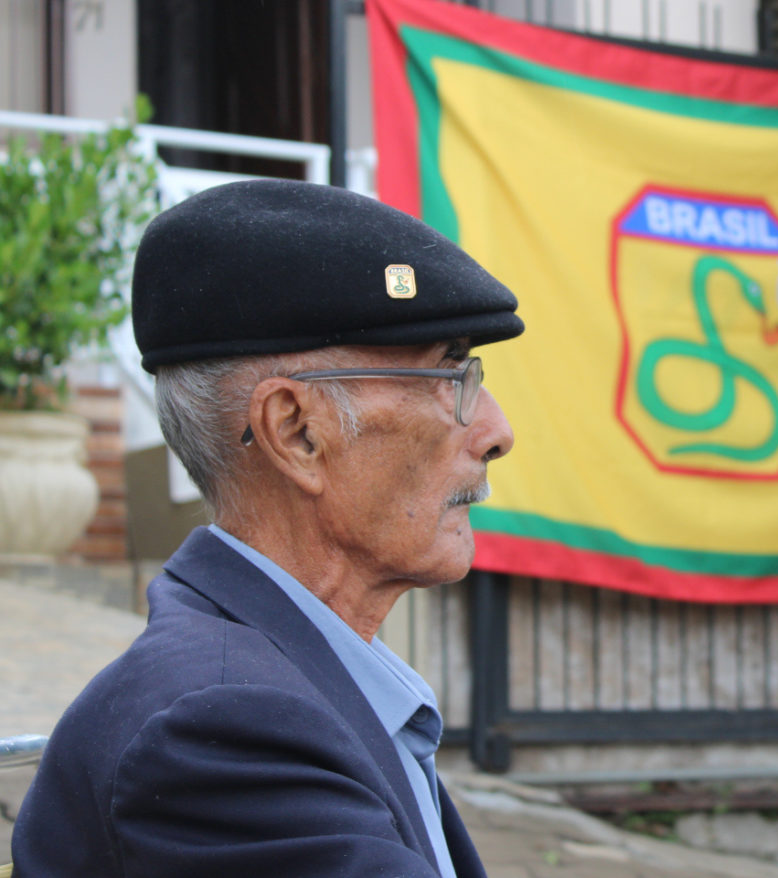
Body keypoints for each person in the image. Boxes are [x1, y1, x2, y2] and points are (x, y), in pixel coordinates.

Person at [12, 179, 524, 877]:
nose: (496, 431)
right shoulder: (226, 727)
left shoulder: (276, 682)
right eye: (448, 374)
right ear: (296, 432)